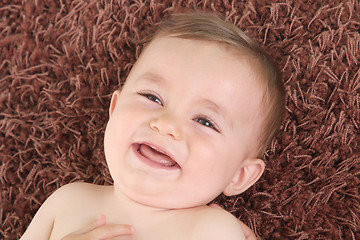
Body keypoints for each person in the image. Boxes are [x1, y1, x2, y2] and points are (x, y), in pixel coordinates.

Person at [21, 11, 285, 240]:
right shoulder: (67, 201)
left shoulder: (211, 230)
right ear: (114, 109)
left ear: (238, 174)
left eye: (205, 121)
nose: (167, 124)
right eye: (152, 97)